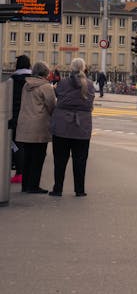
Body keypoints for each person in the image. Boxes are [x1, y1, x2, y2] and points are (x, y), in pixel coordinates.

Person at [49, 58, 95, 197]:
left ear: (71, 69)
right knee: (80, 160)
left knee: (60, 160)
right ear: (84, 69)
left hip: (62, 126)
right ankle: (79, 190)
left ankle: (58, 189)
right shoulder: (90, 85)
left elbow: (55, 96)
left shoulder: (62, 83)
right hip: (82, 127)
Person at [16, 61, 56, 194]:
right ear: (45, 73)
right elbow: (51, 106)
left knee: (27, 157)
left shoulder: (26, 85)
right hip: (39, 127)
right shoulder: (46, 87)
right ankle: (33, 186)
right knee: (38, 157)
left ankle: (25, 185)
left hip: (25, 125)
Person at [8, 55, 32, 185]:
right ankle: (29, 173)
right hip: (31, 116)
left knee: (17, 145)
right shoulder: (33, 79)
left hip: (15, 116)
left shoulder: (12, 80)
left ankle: (19, 172)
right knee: (29, 145)